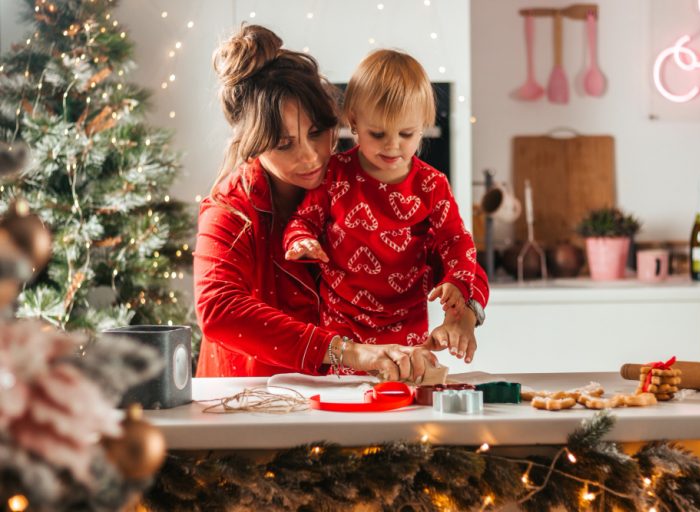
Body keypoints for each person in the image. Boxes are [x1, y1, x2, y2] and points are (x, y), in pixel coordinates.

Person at [194, 25, 488, 381]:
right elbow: (218, 311)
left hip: (345, 394)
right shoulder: (230, 209)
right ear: (252, 142)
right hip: (256, 397)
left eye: (317, 132)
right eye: (284, 144)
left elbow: (455, 254)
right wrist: (347, 351)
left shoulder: (362, 180)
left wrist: (466, 311)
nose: (310, 157)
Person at [282, 49, 480, 354]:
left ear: (424, 125)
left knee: (402, 395)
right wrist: (301, 240)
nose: (392, 145)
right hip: (340, 322)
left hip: (406, 326)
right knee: (343, 398)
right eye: (377, 133)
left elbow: (456, 241)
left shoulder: (432, 185)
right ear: (353, 122)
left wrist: (458, 282)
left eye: (406, 133)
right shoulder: (335, 173)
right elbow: (303, 220)